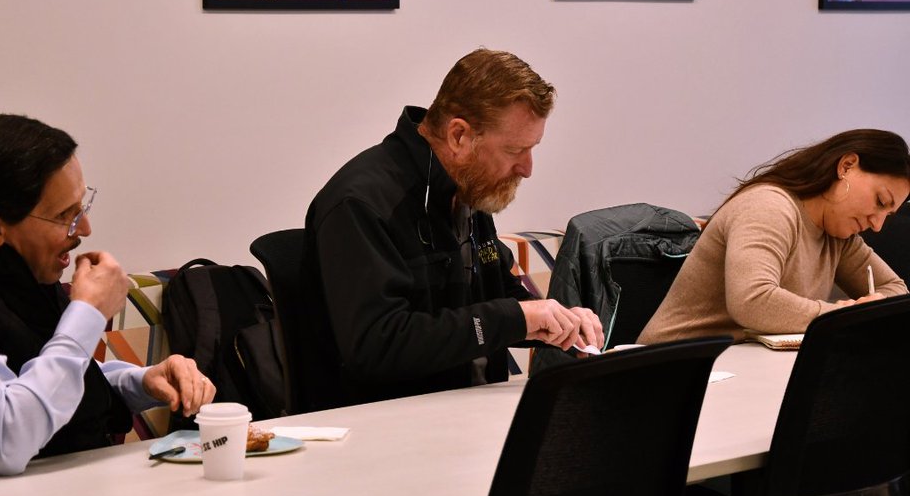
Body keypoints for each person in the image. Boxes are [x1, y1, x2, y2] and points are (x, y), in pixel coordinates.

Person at [301, 49, 604, 409]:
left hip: (469, 411)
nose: (527, 168)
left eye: (532, 148)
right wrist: (514, 318)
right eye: (515, 150)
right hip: (378, 424)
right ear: (459, 136)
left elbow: (500, 293)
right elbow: (378, 346)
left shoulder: (467, 188)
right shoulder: (360, 203)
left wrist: (555, 318)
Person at [0, 114, 214, 475]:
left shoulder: (17, 273)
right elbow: (2, 440)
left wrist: (142, 381)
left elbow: (35, 371)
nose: (85, 229)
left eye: (82, 207)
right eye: (65, 216)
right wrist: (86, 314)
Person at [638, 129, 910, 345]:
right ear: (847, 166)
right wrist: (846, 315)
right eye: (880, 201)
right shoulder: (768, 206)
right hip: (673, 372)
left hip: (738, 367)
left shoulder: (839, 235)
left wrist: (872, 306)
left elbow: (896, 291)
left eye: (889, 214)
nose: (877, 225)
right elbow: (753, 301)